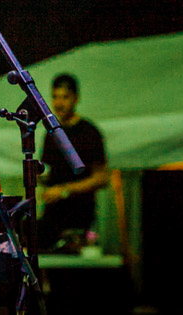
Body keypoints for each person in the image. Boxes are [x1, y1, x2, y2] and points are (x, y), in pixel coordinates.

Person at [39, 73, 109, 251]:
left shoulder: (89, 132)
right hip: (52, 219)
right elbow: (47, 171)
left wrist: (64, 191)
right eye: (55, 97)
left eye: (64, 97)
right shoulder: (51, 133)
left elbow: (101, 178)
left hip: (80, 219)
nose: (59, 103)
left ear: (76, 98)